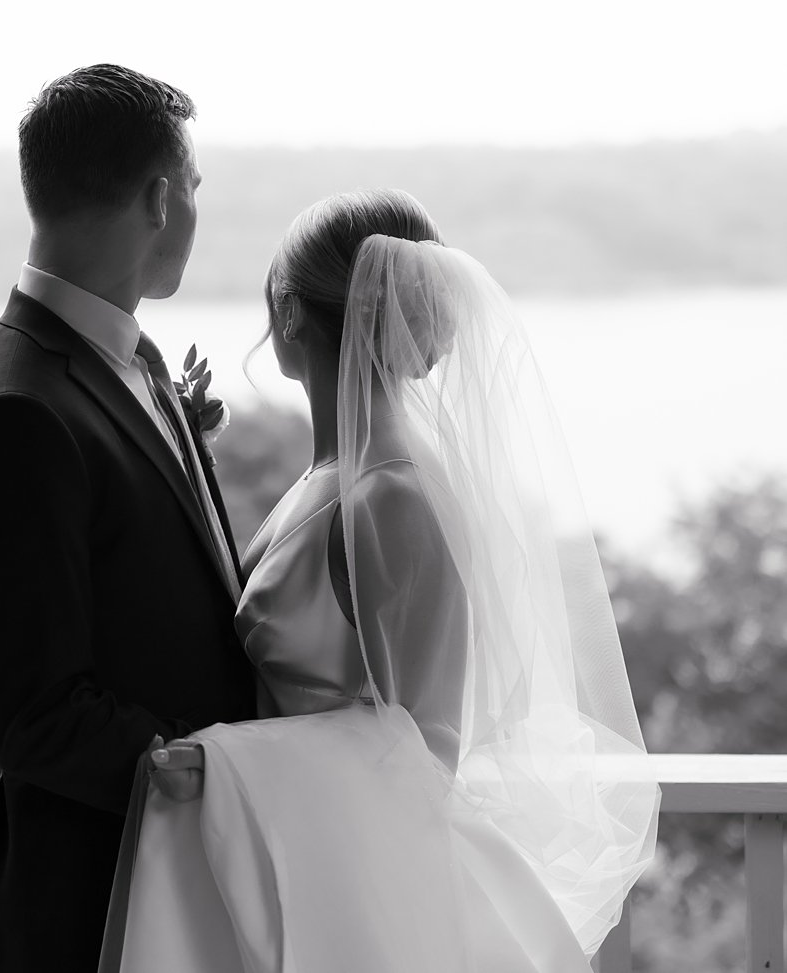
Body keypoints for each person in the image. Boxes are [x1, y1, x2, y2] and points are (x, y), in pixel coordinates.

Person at [101, 189, 661, 972]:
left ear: (289, 314)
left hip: (360, 887)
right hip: (290, 859)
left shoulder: (394, 496)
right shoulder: (333, 475)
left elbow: (425, 744)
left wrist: (228, 761)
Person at [0, 64, 259, 971]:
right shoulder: (15, 411)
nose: (194, 206)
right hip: (87, 902)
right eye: (192, 188)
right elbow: (42, 713)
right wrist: (238, 786)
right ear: (158, 198)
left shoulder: (134, 357)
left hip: (171, 890)